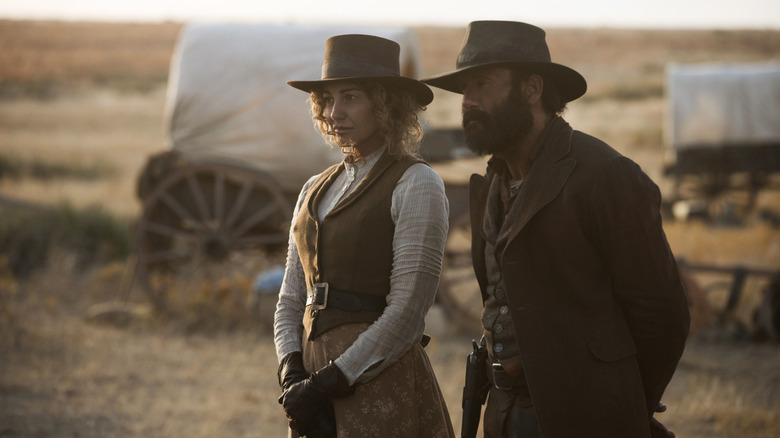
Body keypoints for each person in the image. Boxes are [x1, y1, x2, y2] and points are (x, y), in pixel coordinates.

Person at [422, 21, 690, 438]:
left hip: (589, 416)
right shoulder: (493, 182)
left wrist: (620, 403)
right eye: (464, 91)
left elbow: (662, 315)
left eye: (482, 85)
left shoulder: (605, 175)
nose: (468, 102)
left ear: (531, 89)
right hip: (505, 412)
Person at [273, 34, 454, 438]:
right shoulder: (313, 188)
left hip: (376, 383)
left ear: (385, 103)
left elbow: (407, 314)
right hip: (310, 384)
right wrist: (292, 373)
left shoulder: (415, 183)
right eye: (328, 99)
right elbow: (290, 298)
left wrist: (333, 380)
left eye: (351, 97)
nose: (335, 112)